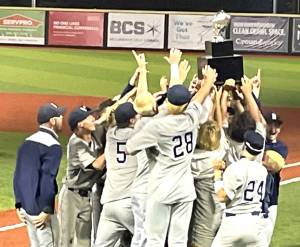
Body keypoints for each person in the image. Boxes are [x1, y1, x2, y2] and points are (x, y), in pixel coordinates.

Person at [126, 65, 216, 247]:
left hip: (161, 188)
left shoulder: (157, 126)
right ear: (185, 105)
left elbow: (130, 147)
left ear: (168, 103)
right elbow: (198, 100)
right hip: (185, 189)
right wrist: (208, 83)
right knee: (179, 241)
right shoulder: (192, 118)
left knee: (155, 241)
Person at [13, 102, 65, 247]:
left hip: (26, 208)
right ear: (52, 121)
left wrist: (18, 204)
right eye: (60, 116)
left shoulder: (27, 142)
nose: (62, 118)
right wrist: (47, 209)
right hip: (41, 210)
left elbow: (18, 175)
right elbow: (47, 179)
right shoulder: (53, 146)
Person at [58, 106, 106, 247]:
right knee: (67, 240)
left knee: (85, 241)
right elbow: (97, 165)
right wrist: (111, 148)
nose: (93, 118)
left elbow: (108, 112)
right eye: (89, 116)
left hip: (87, 196)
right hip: (71, 196)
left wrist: (130, 86)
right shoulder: (76, 143)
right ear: (80, 124)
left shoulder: (93, 131)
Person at [211, 130, 268, 247]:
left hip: (233, 225)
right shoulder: (263, 171)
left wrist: (217, 175)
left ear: (244, 145)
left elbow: (222, 197)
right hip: (256, 225)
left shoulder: (235, 168)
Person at [94, 102, 139, 247]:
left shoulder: (111, 134)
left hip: (109, 203)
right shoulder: (137, 136)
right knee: (150, 239)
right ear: (132, 120)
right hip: (128, 203)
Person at [261, 111, 288, 246]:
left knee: (266, 239)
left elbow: (272, 163)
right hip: (254, 201)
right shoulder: (257, 142)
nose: (273, 130)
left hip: (271, 199)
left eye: (276, 126)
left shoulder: (281, 148)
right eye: (269, 125)